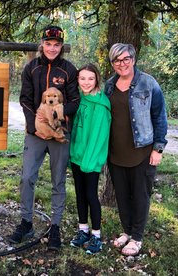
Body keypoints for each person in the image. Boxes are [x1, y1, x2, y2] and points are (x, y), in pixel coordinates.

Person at [9, 25, 80, 250]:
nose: (52, 48)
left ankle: (55, 228)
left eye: (56, 45)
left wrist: (56, 115)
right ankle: (26, 223)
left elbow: (75, 102)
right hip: (36, 133)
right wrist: (34, 127)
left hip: (61, 131)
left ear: (62, 47)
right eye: (48, 44)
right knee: (27, 177)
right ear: (42, 44)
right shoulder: (31, 68)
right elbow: (25, 99)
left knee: (58, 181)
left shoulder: (69, 69)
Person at [104, 43, 168, 256]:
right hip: (115, 153)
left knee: (140, 195)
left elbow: (159, 116)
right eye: (117, 60)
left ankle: (137, 238)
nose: (122, 64)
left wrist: (158, 149)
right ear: (112, 63)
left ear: (133, 59)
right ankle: (127, 231)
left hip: (142, 151)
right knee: (122, 196)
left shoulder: (148, 83)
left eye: (125, 59)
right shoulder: (109, 86)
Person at [69, 64, 111, 254]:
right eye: (82, 78)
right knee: (79, 194)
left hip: (90, 160)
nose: (86, 82)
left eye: (90, 78)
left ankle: (96, 236)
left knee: (91, 195)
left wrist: (88, 160)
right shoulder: (80, 99)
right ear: (77, 80)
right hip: (77, 157)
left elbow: (97, 136)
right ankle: (83, 231)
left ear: (97, 80)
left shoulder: (100, 104)